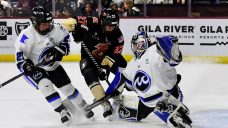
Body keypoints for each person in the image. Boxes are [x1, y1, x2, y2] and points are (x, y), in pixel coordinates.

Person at [15, 6, 94, 125]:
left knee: (67, 88)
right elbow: (19, 56)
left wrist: (61, 49)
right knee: (45, 85)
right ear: (35, 24)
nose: (48, 26)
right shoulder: (26, 36)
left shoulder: (57, 29)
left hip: (53, 66)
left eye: (49, 22)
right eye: (44, 24)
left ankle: (82, 104)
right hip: (35, 68)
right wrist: (26, 65)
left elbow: (66, 39)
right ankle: (62, 111)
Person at [105, 30, 192, 128]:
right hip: (147, 102)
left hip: (167, 94)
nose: (136, 47)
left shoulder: (155, 51)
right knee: (122, 112)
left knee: (163, 106)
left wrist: (167, 45)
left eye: (138, 43)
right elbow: (122, 79)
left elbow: (173, 59)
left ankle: (174, 106)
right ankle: (169, 108)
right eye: (134, 45)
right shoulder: (131, 65)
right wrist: (108, 94)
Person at [62, 8, 127, 118]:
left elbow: (113, 56)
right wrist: (74, 29)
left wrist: (104, 67)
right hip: (88, 57)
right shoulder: (93, 21)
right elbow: (72, 21)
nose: (110, 28)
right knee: (88, 73)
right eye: (108, 25)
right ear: (102, 22)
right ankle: (104, 103)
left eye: (113, 26)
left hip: (105, 57)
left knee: (123, 67)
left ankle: (117, 95)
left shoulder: (118, 37)